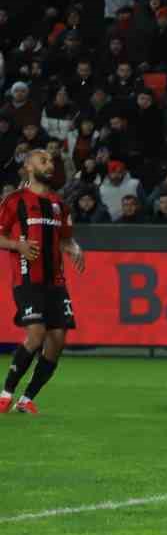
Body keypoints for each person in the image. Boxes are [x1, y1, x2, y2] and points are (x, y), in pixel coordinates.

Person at [0, 149, 86, 414]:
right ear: (28, 166)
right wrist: (18, 246)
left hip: (56, 281)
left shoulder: (59, 204)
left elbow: (64, 238)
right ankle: (5, 393)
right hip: (28, 279)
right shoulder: (14, 201)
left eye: (51, 161)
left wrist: (74, 248)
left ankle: (26, 400)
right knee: (36, 334)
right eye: (43, 161)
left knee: (58, 339)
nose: (50, 165)